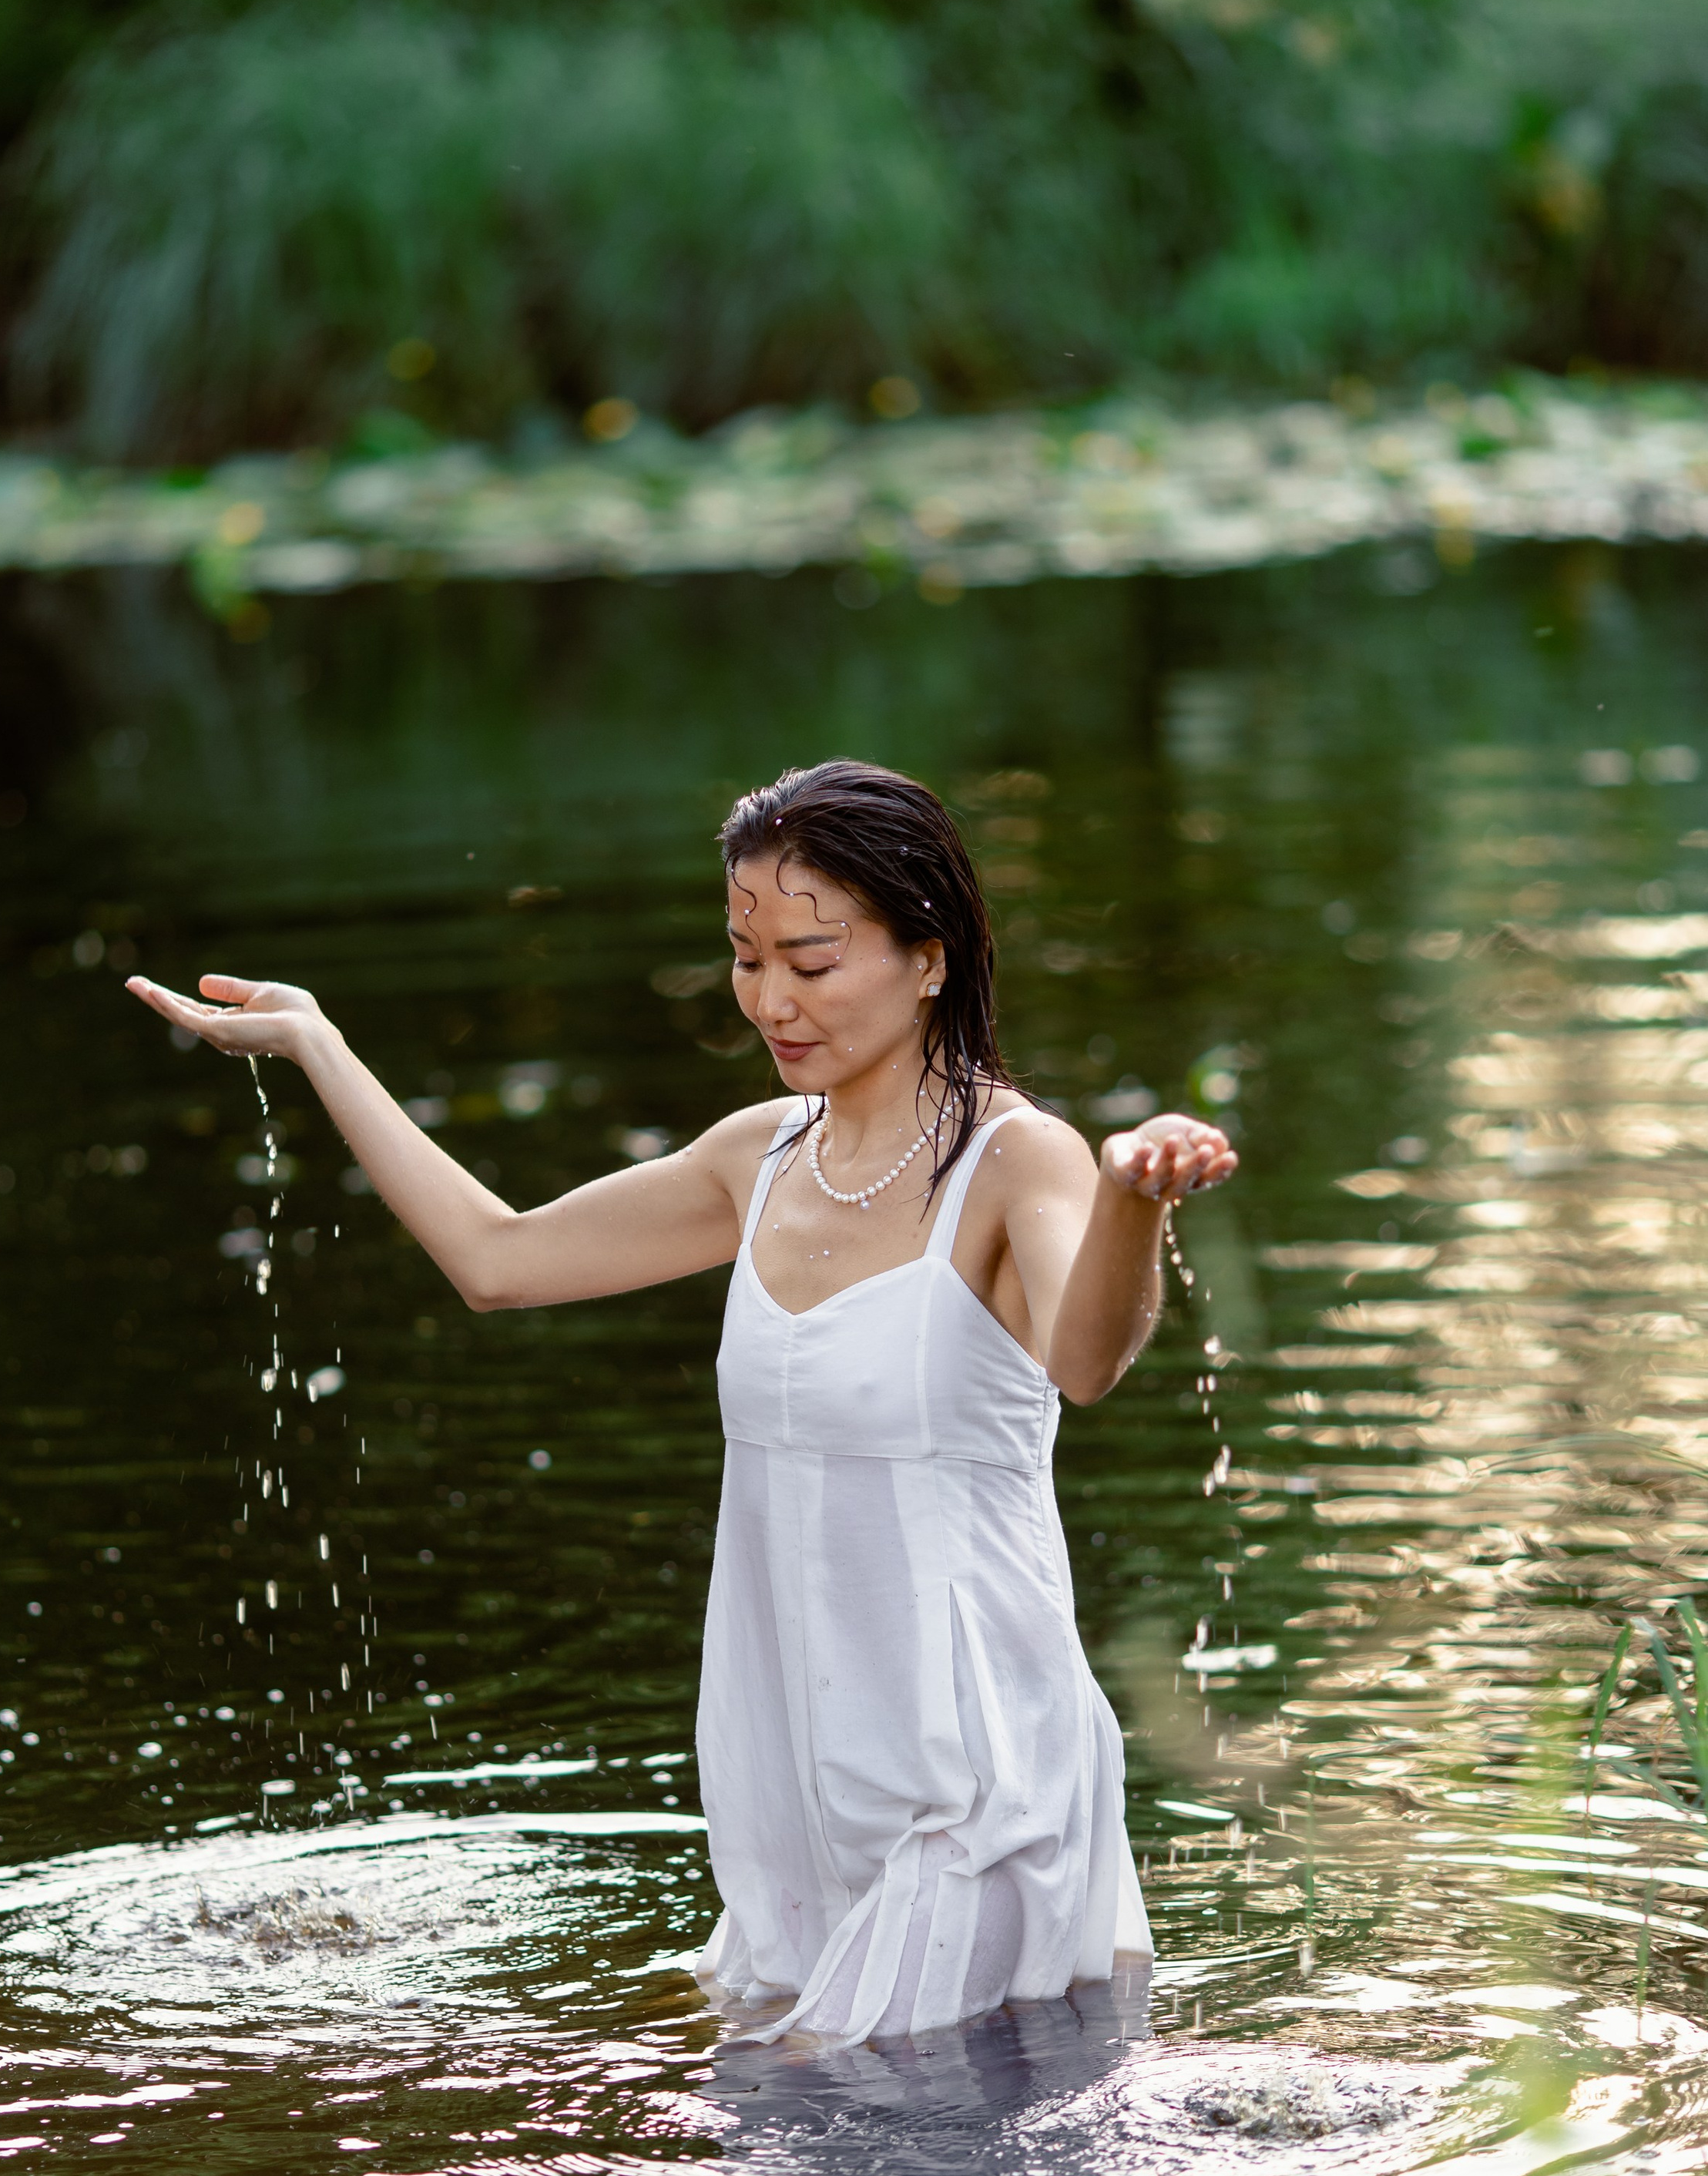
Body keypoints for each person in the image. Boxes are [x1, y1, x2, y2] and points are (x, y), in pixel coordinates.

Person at [127, 757, 1235, 2049]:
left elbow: (1086, 1361)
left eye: (813, 961)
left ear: (929, 957)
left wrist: (1130, 1202)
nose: (772, 1000)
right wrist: (320, 1043)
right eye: (747, 959)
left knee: (856, 2106)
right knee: (790, 2145)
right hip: (795, 1802)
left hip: (973, 1784)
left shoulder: (1017, 1159)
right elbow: (497, 1261)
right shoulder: (756, 1158)